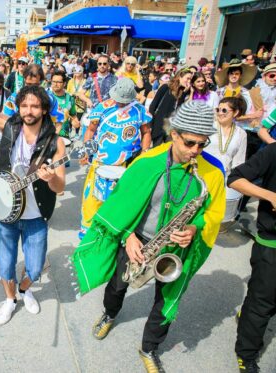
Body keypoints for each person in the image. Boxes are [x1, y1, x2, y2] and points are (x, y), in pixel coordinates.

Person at [72, 101, 225, 373]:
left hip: (176, 249)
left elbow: (213, 212)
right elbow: (122, 203)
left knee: (166, 301)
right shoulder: (147, 161)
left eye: (203, 144)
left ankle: (149, 348)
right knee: (117, 287)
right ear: (174, 134)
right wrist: (128, 236)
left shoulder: (211, 172)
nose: (196, 151)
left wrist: (194, 228)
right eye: (190, 143)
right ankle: (110, 313)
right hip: (138, 240)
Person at [0, 63, 66, 325]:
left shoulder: (56, 143)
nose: (29, 111)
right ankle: (10, 299)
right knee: (5, 267)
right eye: (24, 106)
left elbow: (60, 187)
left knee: (34, 267)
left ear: (44, 109)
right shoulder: (10, 126)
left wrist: (51, 176)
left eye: (35, 106)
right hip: (5, 211)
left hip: (36, 216)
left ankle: (24, 289)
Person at [80, 78, 152, 238]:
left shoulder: (139, 110)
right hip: (100, 162)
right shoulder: (102, 108)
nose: (120, 103)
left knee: (120, 202)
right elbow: (91, 131)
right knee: (93, 199)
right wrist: (86, 151)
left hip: (128, 164)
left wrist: (144, 153)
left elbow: (146, 132)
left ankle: (114, 234)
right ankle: (89, 235)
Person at [228, 138, 276, 372]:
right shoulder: (274, 151)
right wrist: (270, 196)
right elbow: (235, 178)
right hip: (272, 244)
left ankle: (246, 316)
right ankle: (246, 355)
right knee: (261, 303)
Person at [215, 59, 263, 159]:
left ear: (240, 75)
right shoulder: (220, 92)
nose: (234, 76)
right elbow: (215, 111)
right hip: (220, 128)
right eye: (232, 73)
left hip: (238, 130)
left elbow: (248, 113)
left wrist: (252, 116)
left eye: (237, 73)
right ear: (228, 75)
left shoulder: (246, 93)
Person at [149, 69, 193, 146]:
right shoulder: (166, 87)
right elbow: (153, 106)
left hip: (172, 128)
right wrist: (151, 124)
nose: (189, 81)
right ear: (180, 77)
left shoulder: (184, 92)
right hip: (159, 126)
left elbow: (180, 109)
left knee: (169, 152)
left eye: (190, 79)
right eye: (188, 78)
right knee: (157, 152)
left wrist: (185, 93)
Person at [205, 97, 247, 176]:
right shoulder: (208, 126)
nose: (220, 113)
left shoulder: (241, 133)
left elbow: (238, 162)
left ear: (235, 113)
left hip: (224, 176)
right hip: (205, 172)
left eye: (224, 110)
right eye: (218, 110)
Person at [48, 70, 79, 138]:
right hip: (48, 136)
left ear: (64, 84)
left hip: (64, 137)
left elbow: (73, 116)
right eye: (54, 81)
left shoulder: (70, 98)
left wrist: (75, 122)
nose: (55, 84)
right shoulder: (46, 96)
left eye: (58, 82)